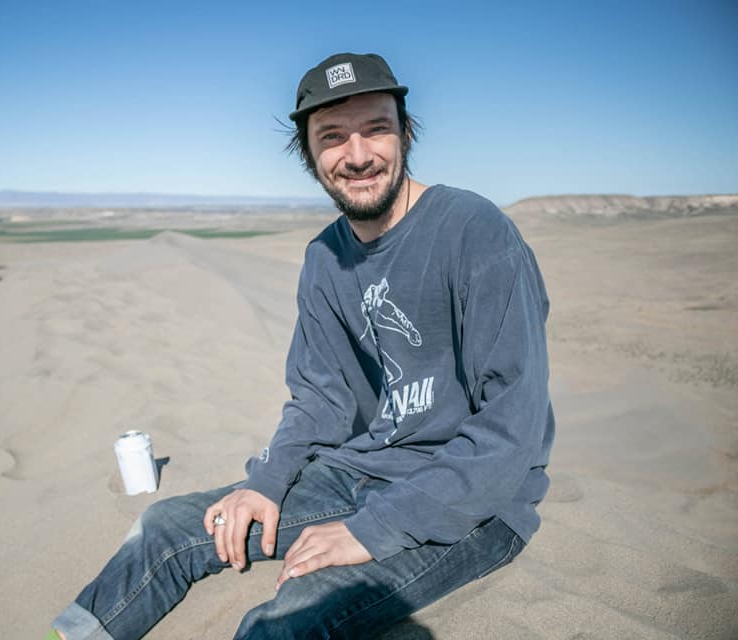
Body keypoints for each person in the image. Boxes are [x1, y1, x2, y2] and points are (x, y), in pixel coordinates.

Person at [48, 52, 555, 640]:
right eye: (333, 136)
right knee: (167, 526)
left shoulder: (475, 230)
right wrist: (264, 482)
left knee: (286, 620)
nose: (358, 155)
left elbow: (509, 427)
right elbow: (320, 400)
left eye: (377, 128)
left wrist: (374, 530)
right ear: (308, 153)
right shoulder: (324, 258)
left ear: (407, 132)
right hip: (355, 473)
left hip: (470, 500)